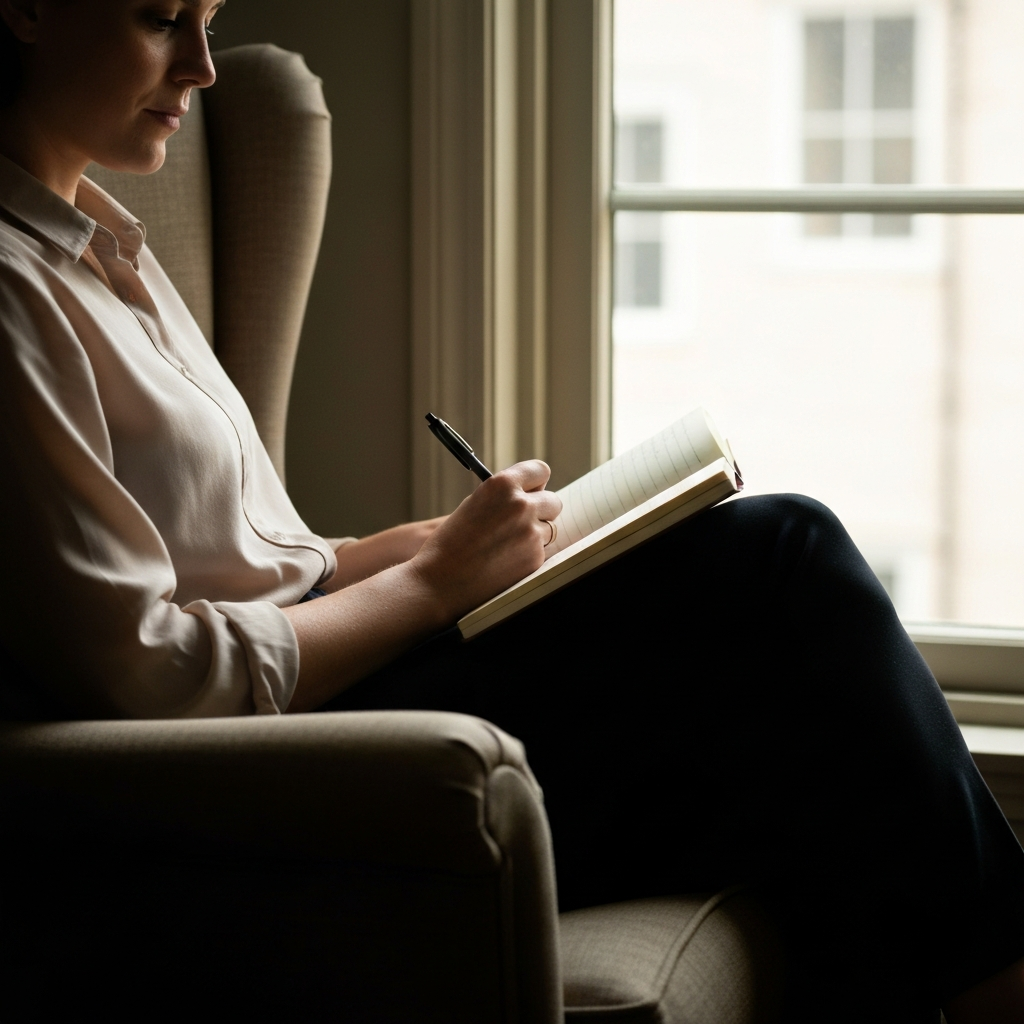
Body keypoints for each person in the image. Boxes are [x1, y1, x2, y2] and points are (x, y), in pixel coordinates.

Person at [0, 1, 1021, 1020]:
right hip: (267, 767)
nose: (203, 68)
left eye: (210, 20)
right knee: (780, 565)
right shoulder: (13, 290)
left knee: (794, 734)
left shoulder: (105, 247)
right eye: (159, 18)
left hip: (328, 681)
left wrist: (414, 548)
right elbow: (150, 670)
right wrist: (435, 580)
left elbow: (252, 560)